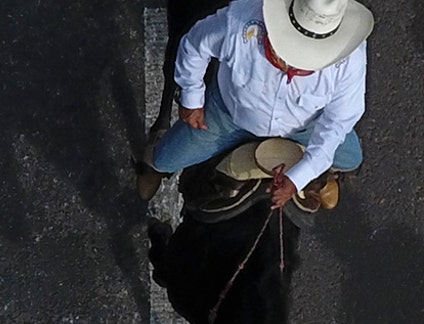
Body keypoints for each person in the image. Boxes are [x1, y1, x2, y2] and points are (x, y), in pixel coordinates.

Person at [139, 0, 373, 208]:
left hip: (307, 126)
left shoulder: (350, 56)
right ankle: (152, 169)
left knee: (353, 159)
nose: (294, 68)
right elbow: (194, 45)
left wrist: (298, 178)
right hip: (228, 116)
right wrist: (191, 98)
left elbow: (339, 120)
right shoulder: (240, 22)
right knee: (165, 158)